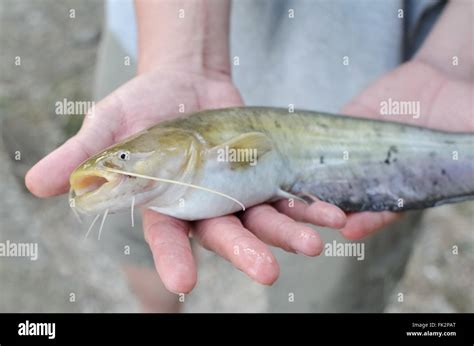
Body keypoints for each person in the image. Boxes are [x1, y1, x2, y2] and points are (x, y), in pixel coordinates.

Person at [25, 0, 473, 312]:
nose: (116, 164)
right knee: (141, 254)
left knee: (329, 294)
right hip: (156, 49)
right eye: (121, 159)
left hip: (388, 73)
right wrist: (181, 56)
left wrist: (450, 61)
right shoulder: (154, 138)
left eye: (123, 159)